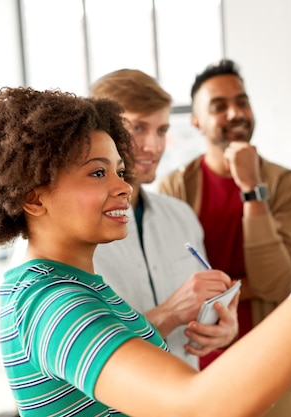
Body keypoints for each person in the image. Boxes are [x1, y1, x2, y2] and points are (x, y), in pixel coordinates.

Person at [0, 85, 291, 417]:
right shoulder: (51, 302)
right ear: (34, 197)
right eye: (98, 173)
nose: (124, 187)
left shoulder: (78, 287)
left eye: (120, 170)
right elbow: (198, 405)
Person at [158, 59, 291, 415]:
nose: (235, 113)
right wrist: (248, 285)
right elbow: (173, 284)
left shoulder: (285, 184)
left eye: (242, 101)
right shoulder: (176, 188)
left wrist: (252, 190)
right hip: (198, 351)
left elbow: (274, 283)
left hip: (267, 348)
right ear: (196, 121)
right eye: (219, 106)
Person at [89, 69, 238, 369]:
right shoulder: (74, 235)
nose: (154, 147)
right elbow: (91, 355)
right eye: (138, 128)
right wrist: (169, 314)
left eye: (161, 130)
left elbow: (201, 316)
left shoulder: (182, 218)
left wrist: (223, 327)